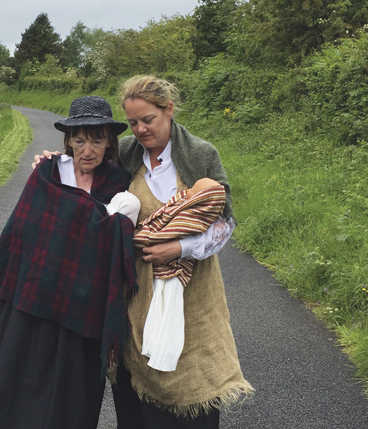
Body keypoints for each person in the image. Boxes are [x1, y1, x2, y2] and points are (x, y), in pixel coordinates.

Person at [34, 76, 253, 428]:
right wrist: (52, 163)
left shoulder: (199, 154)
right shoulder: (125, 155)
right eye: (133, 122)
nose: (140, 130)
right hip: (135, 294)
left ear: (168, 110)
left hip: (194, 291)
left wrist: (179, 247)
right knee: (137, 393)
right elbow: (84, 168)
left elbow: (224, 222)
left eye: (147, 120)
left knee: (194, 377)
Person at [0, 96, 140, 429]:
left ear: (109, 142)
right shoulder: (47, 174)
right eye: (79, 139)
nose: (87, 149)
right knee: (12, 379)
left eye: (96, 140)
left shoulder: (119, 186)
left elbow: (116, 245)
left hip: (82, 309)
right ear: (68, 141)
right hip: (32, 300)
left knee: (69, 396)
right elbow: (22, 233)